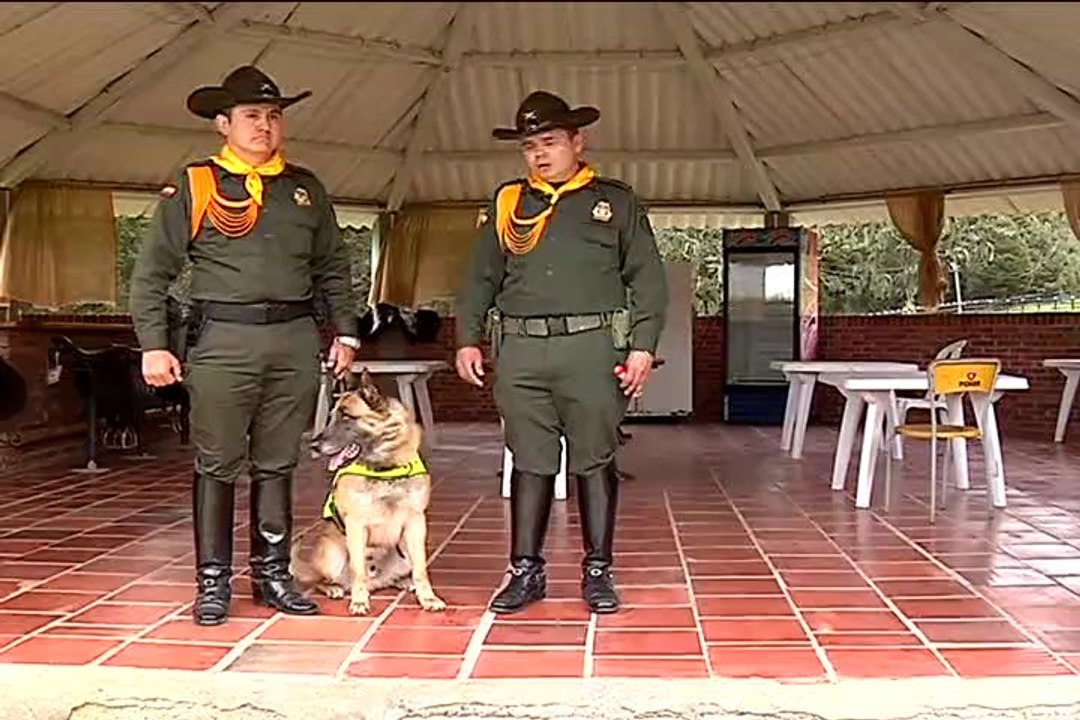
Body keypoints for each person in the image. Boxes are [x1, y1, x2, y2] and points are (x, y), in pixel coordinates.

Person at [129, 66, 359, 626]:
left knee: (278, 461)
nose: (265, 126)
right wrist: (154, 345)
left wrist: (345, 331)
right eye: (252, 116)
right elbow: (151, 273)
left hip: (292, 339)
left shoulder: (305, 188)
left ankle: (272, 576)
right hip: (223, 340)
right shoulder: (197, 184)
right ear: (223, 124)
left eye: (274, 116)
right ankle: (212, 582)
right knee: (217, 462)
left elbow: (332, 266)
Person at [454, 90, 669, 614]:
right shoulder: (508, 202)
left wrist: (642, 346)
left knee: (595, 459)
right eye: (530, 146)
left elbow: (648, 278)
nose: (540, 155)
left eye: (550, 142)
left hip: (591, 348)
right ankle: (525, 572)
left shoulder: (614, 201)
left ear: (578, 141)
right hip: (521, 350)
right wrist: (466, 337)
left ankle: (598, 572)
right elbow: (481, 277)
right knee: (529, 462)